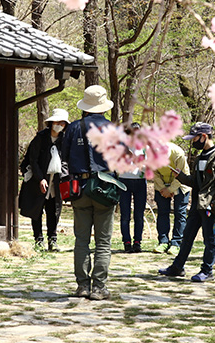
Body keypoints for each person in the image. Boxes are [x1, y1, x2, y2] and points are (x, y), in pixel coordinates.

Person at [62, 85, 115, 300]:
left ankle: (82, 286)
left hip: (79, 189)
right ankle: (99, 288)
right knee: (103, 241)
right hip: (104, 188)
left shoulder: (73, 128)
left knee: (81, 240)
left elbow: (63, 158)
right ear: (103, 106)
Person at [159, 122, 215, 282]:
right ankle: (177, 267)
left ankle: (207, 271)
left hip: (210, 206)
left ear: (204, 136)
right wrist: (181, 176)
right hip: (197, 204)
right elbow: (196, 182)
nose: (193, 142)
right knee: (187, 237)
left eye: (194, 138)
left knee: (209, 239)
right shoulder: (200, 158)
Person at [19, 108, 69, 252]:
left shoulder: (64, 140)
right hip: (38, 179)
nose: (59, 125)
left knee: (54, 211)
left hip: (56, 181)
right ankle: (38, 240)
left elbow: (67, 160)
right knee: (37, 210)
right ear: (51, 123)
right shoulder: (40, 138)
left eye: (62, 123)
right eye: (57, 122)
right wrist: (40, 178)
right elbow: (33, 160)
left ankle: (52, 241)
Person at [152, 142, 191, 254]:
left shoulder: (178, 154)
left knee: (180, 213)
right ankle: (163, 242)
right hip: (161, 185)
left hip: (181, 183)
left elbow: (182, 174)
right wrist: (163, 189)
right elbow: (154, 173)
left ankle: (176, 243)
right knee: (163, 212)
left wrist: (170, 189)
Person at [118, 123, 147, 253]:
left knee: (139, 215)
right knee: (125, 215)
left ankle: (137, 242)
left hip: (140, 182)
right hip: (124, 181)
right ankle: (126, 242)